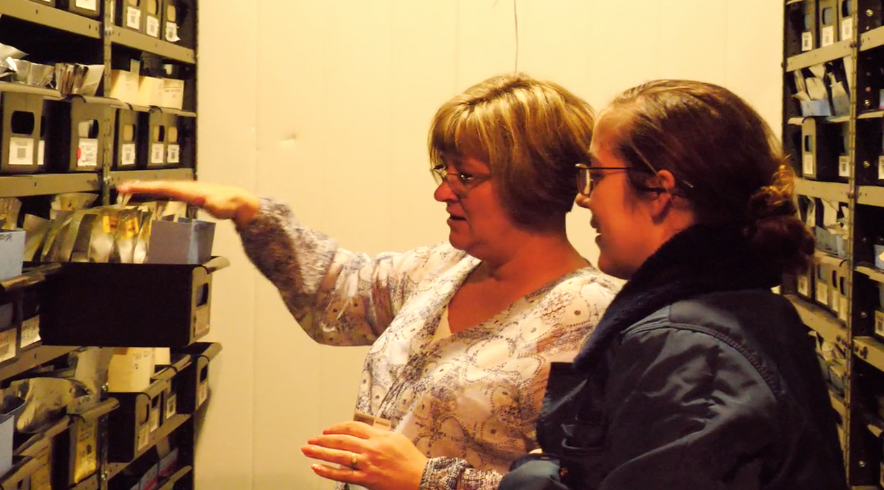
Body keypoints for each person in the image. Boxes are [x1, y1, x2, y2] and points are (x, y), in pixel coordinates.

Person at [118, 73, 618, 490]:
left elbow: (581, 481)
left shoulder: (590, 314)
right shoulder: (439, 271)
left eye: (466, 176)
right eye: (444, 171)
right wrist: (251, 213)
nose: (443, 191)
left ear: (532, 180)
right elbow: (336, 292)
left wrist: (428, 478)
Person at [499, 80, 847, 490]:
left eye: (596, 174)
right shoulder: (738, 310)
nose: (584, 198)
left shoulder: (689, 351)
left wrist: (533, 476)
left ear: (660, 190)